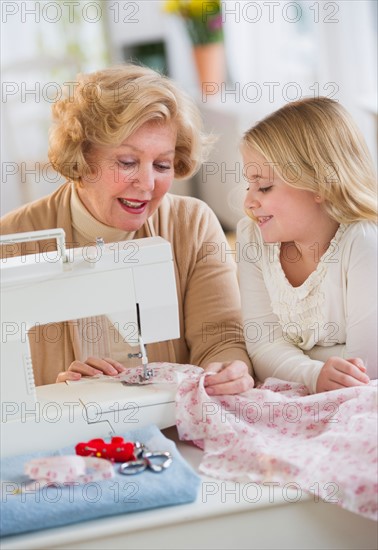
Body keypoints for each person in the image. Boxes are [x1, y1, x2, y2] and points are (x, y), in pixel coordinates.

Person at [0, 64, 253, 395]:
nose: (147, 184)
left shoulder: (192, 225)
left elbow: (220, 335)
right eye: (127, 163)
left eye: (162, 165)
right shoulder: (12, 241)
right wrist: (55, 394)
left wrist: (228, 367)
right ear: (82, 156)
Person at [237, 96, 377, 394]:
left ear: (320, 185)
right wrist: (315, 373)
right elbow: (262, 347)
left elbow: (365, 372)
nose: (249, 202)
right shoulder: (252, 238)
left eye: (264, 187)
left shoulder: (364, 242)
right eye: (249, 185)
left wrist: (293, 362)